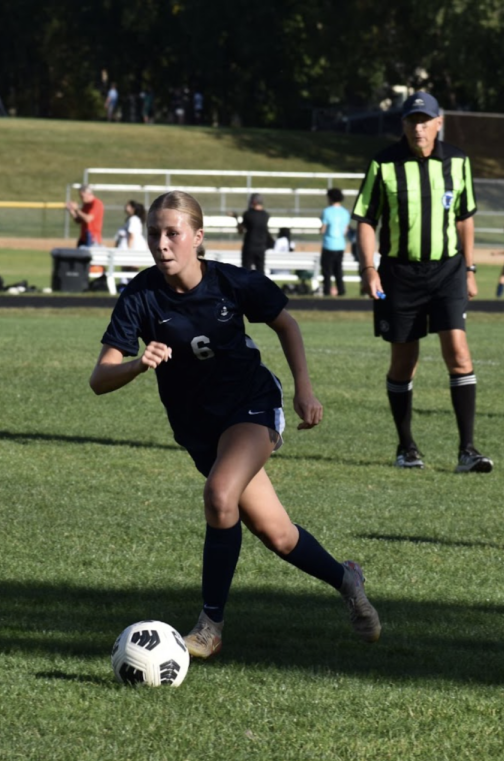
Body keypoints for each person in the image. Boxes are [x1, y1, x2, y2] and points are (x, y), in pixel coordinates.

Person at [89, 190, 381, 659]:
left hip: (252, 406)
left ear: (197, 238)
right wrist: (137, 365)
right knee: (278, 534)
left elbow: (286, 323)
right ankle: (347, 580)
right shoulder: (140, 296)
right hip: (197, 429)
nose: (161, 244)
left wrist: (304, 389)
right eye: (153, 234)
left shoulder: (231, 282)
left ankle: (209, 627)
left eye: (172, 233)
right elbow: (99, 378)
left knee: (220, 494)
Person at [353, 90, 493, 473]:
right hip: (399, 273)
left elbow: (465, 217)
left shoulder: (458, 162)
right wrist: (369, 268)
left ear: (438, 122)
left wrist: (470, 269)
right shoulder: (383, 164)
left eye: (425, 120)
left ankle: (468, 450)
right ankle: (407, 447)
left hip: (447, 270)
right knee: (404, 362)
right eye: (412, 120)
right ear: (404, 124)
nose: (419, 127)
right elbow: (365, 219)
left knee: (459, 354)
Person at [319, 188, 351, 296]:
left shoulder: (327, 211)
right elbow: (345, 230)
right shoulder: (345, 212)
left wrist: (320, 230)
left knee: (327, 270)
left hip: (329, 244)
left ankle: (327, 291)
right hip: (340, 245)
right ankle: (341, 290)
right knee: (338, 270)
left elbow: (323, 229)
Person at [235, 193, 270, 272]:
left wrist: (236, 218)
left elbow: (241, 231)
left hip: (249, 246)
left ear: (253, 202)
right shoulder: (266, 215)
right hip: (261, 247)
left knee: (246, 271)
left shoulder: (248, 214)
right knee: (260, 271)